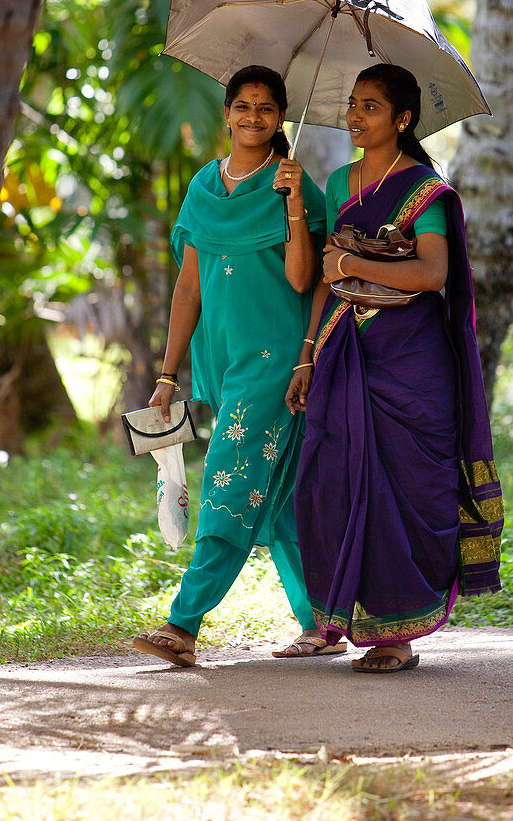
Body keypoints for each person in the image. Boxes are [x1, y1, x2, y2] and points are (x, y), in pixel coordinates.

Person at [286, 63, 503, 674]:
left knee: (408, 487)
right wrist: (307, 354)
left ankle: (396, 635)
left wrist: (353, 264)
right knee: (330, 481)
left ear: (403, 120)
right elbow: (322, 281)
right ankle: (340, 618)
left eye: (371, 107)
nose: (355, 115)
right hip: (342, 353)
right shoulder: (337, 183)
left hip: (411, 362)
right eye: (353, 104)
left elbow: (431, 274)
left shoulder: (425, 191)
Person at [133, 65, 342, 667]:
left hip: (278, 362)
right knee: (277, 498)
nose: (254, 118)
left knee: (227, 477)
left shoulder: (295, 185)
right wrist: (169, 377)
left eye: (267, 109)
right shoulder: (203, 188)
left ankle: (183, 623)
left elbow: (306, 280)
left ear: (282, 119)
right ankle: (320, 621)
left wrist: (298, 204)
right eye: (244, 106)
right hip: (225, 368)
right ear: (226, 113)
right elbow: (188, 291)